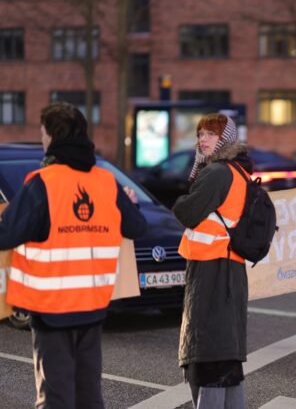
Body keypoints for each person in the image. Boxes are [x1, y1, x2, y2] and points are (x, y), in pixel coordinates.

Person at [0, 101, 147, 408]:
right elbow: (136, 227)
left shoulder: (43, 184)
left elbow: (7, 235)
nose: (41, 140)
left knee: (56, 398)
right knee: (88, 395)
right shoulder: (106, 182)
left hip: (52, 311)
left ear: (52, 137)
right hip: (93, 307)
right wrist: (129, 204)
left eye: (42, 134)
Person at [173, 113, 250, 409]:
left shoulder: (217, 173)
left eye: (210, 134)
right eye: (200, 134)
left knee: (208, 354)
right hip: (229, 271)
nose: (202, 139)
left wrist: (179, 200)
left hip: (212, 272)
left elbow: (187, 212)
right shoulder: (237, 171)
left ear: (225, 139)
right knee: (226, 354)